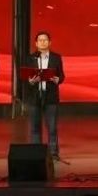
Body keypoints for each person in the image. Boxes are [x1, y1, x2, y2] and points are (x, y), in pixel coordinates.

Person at [26, 31, 65, 160]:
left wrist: (58, 79)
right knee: (35, 127)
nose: (43, 42)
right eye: (40, 40)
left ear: (50, 42)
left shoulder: (56, 58)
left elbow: (61, 75)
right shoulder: (30, 58)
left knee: (52, 127)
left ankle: (53, 153)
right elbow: (24, 77)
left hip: (50, 96)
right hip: (34, 96)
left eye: (45, 40)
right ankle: (36, 153)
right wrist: (30, 81)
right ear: (36, 43)